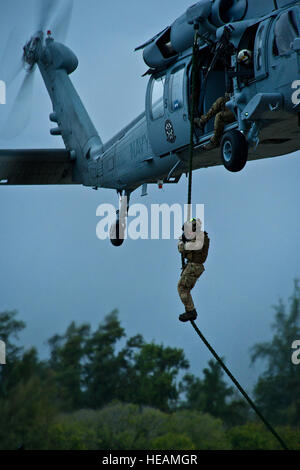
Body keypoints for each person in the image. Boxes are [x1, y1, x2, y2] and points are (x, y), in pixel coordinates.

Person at [177, 218, 210, 322]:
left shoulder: (199, 238)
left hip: (194, 267)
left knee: (182, 288)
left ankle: (191, 311)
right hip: (193, 266)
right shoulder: (199, 236)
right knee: (184, 288)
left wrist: (181, 242)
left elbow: (183, 248)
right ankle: (190, 310)